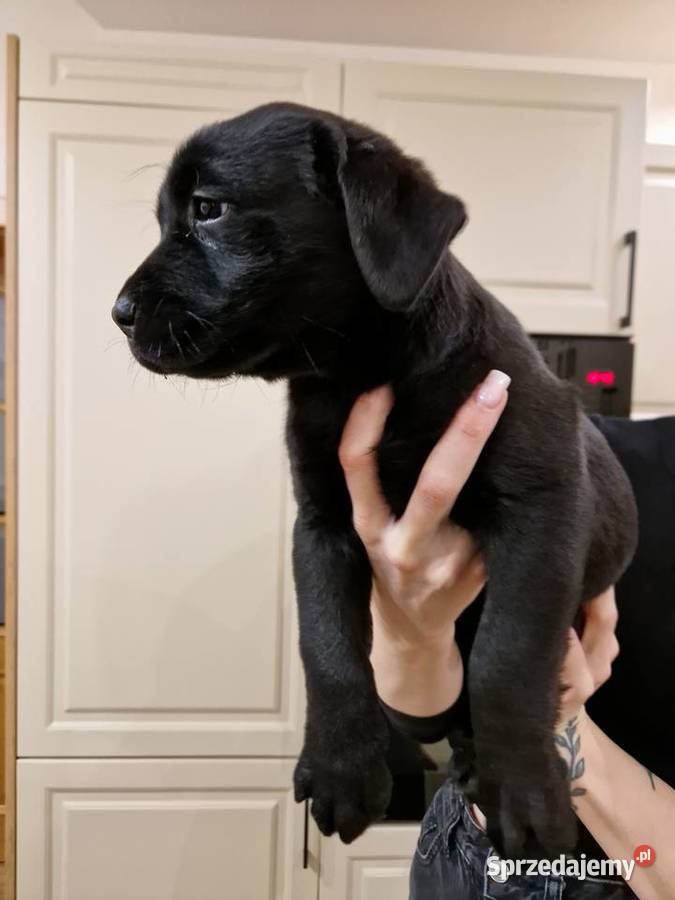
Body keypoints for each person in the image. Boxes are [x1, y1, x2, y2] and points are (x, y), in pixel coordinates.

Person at [337, 370, 675, 900]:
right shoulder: (594, 460)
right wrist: (412, 636)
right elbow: (425, 711)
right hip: (484, 854)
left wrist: (551, 726)